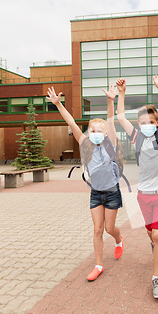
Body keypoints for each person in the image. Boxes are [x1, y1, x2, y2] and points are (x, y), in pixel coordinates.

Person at [46, 85, 124, 282]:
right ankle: (98, 265)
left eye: (99, 131)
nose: (94, 133)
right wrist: (58, 105)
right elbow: (71, 121)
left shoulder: (111, 143)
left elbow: (110, 121)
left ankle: (119, 239)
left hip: (112, 192)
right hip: (96, 193)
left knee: (109, 229)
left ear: (105, 134)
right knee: (97, 229)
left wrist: (110, 100)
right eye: (92, 130)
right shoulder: (85, 144)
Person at [116, 75, 158, 299]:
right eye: (142, 123)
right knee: (151, 233)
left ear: (157, 123)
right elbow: (121, 116)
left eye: (151, 122)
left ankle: (156, 279)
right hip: (143, 197)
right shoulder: (137, 138)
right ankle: (154, 243)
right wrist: (122, 94)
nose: (147, 126)